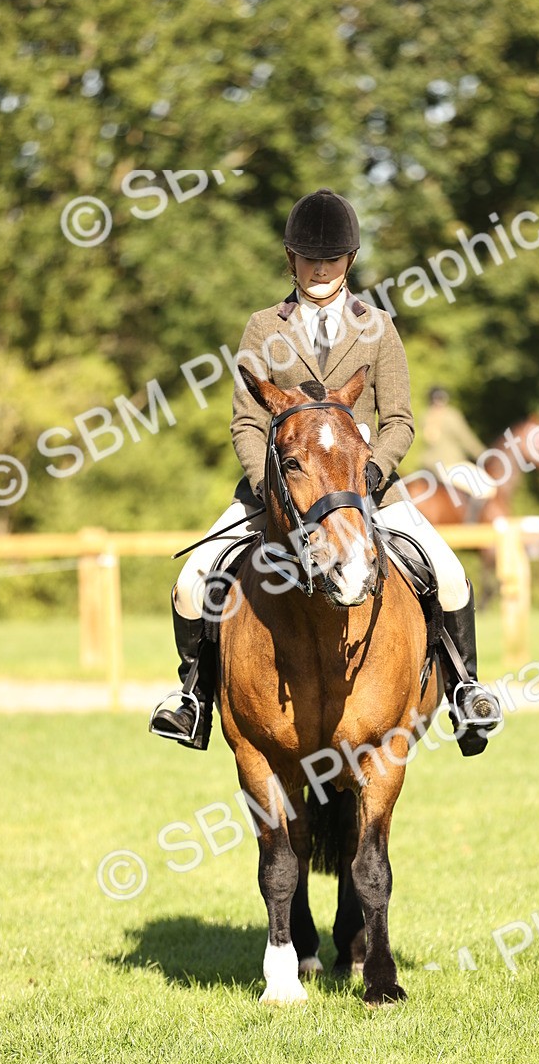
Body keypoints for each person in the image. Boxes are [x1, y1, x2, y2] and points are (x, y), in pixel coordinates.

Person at [151, 188, 501, 756]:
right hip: (284, 490)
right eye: (309, 259)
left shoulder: (379, 327)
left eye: (331, 260)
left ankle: (466, 691)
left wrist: (371, 476)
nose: (319, 269)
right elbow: (245, 423)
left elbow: (401, 420)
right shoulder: (263, 328)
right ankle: (192, 699)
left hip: (365, 490)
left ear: (349, 261)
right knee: (193, 582)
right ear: (292, 260)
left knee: (450, 573)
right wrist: (273, 489)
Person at [421, 386, 497, 501]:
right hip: (451, 464)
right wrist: (482, 454)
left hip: (429, 466)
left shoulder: (425, 416)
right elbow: (466, 439)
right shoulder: (451, 415)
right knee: (488, 487)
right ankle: (472, 518)